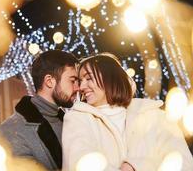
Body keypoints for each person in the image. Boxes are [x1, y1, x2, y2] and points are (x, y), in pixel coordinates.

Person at [62, 53, 193, 171]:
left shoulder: (155, 115)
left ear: (110, 78)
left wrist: (137, 166)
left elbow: (183, 163)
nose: (81, 87)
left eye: (89, 78)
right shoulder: (77, 118)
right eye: (80, 80)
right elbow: (80, 164)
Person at [0, 50, 79, 170]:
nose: (78, 87)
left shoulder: (70, 122)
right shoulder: (11, 131)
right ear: (49, 81)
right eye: (72, 81)